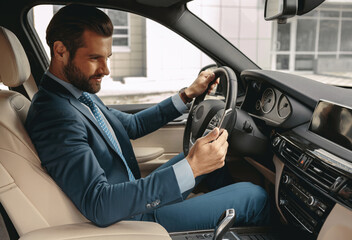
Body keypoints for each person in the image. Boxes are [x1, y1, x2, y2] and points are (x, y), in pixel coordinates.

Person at [25, 4, 269, 232]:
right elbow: (99, 203)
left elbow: (132, 125)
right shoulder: (54, 114)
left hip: (132, 194)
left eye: (107, 57)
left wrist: (187, 95)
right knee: (254, 197)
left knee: (211, 156)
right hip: (132, 218)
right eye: (94, 58)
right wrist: (192, 168)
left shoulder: (77, 94)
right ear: (60, 51)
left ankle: (220, 227)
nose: (106, 70)